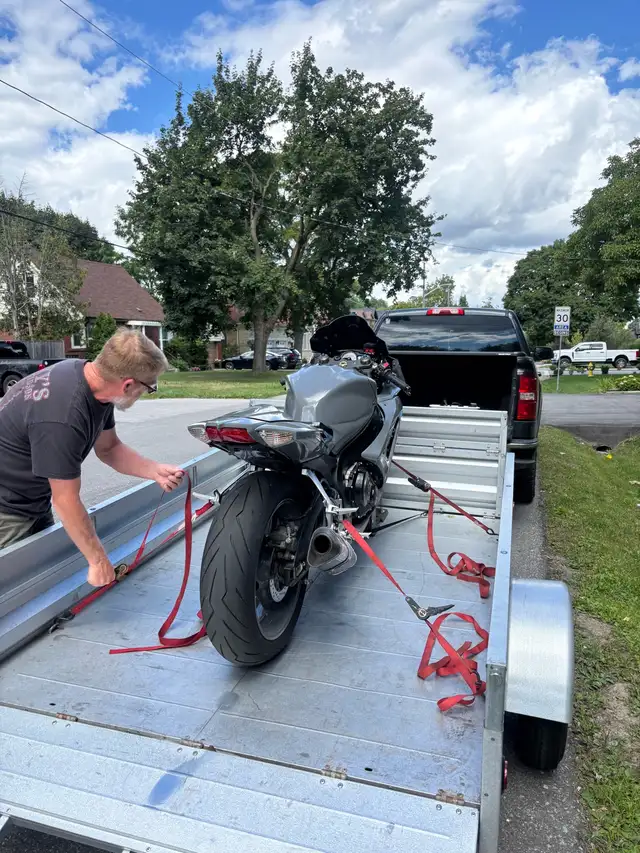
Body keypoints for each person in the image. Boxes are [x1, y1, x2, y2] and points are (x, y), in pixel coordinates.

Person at [0, 328, 184, 586]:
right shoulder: (63, 416)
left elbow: (109, 448)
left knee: (44, 579)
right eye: (148, 387)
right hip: (7, 509)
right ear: (128, 384)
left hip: (32, 498)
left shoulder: (94, 386)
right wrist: (98, 560)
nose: (146, 393)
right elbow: (65, 500)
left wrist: (153, 470)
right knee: (14, 590)